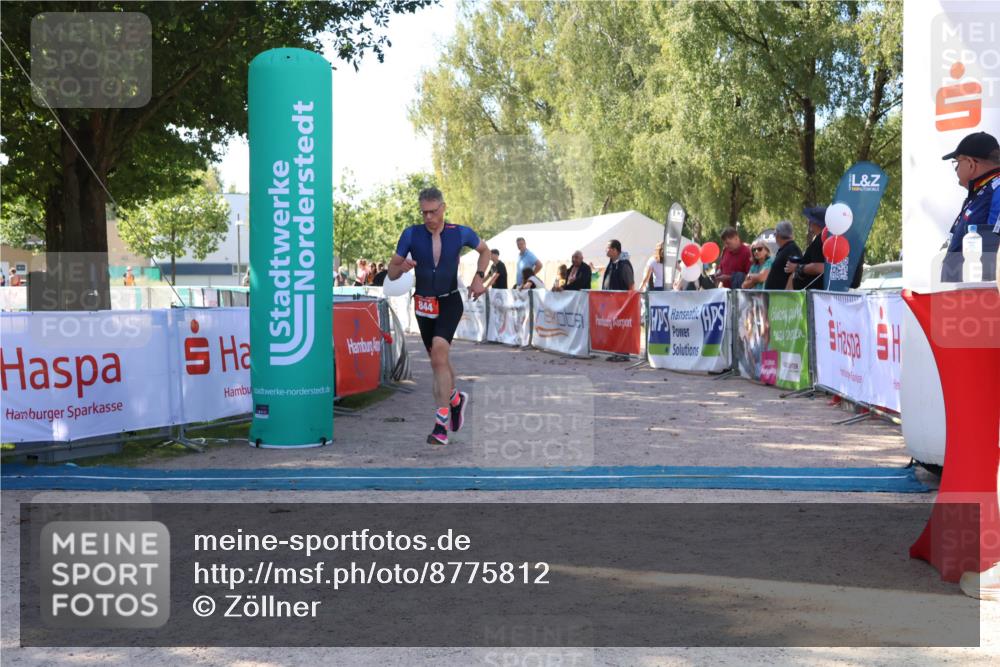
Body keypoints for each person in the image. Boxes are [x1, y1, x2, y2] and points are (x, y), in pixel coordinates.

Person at [387, 187, 490, 446]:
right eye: (424, 213)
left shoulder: (460, 232)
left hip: (449, 301)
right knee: (437, 361)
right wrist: (402, 266)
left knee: (439, 354)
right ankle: (455, 399)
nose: (429, 217)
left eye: (433, 212)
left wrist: (479, 278)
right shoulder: (411, 234)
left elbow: (485, 251)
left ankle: (440, 425)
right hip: (423, 305)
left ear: (443, 208)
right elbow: (390, 273)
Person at [941, 131, 1000, 283]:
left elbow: (994, 246)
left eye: (957, 163)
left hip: (983, 297)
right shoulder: (982, 191)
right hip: (964, 295)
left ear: (971, 163)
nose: (955, 170)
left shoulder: (997, 189)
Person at [787, 206, 828, 290]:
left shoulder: (820, 240)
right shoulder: (822, 239)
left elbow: (821, 267)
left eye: (811, 220)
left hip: (812, 295)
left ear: (816, 223)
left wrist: (797, 267)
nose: (809, 222)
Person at [764, 220, 802, 290]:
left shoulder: (792, 249)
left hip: (783, 297)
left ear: (778, 235)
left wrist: (787, 293)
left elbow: (794, 274)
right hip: (776, 296)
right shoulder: (787, 248)